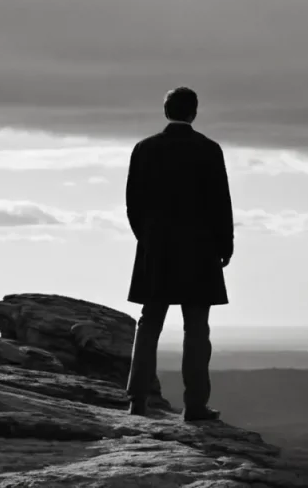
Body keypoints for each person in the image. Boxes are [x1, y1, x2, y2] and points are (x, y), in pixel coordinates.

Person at [124, 86, 234, 421]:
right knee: (197, 329)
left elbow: (133, 204)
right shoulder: (209, 150)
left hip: (156, 250)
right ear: (194, 112)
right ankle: (195, 406)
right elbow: (220, 203)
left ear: (166, 111)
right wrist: (224, 245)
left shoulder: (144, 149)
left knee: (149, 324)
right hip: (200, 251)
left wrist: (147, 239)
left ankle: (137, 401)